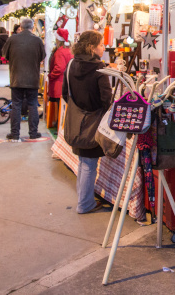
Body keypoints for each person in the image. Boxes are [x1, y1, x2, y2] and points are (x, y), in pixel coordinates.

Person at [62, 30, 112, 214]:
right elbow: (107, 100)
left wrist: (80, 110)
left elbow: (65, 93)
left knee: (84, 162)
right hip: (94, 123)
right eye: (100, 44)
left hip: (76, 123)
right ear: (91, 47)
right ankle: (84, 204)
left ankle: (85, 200)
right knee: (89, 164)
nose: (103, 47)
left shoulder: (71, 64)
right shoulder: (100, 68)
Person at [2, 17, 46, 140]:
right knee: (32, 105)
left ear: (20, 27)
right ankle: (33, 133)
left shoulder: (12, 39)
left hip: (16, 78)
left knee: (16, 105)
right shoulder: (37, 40)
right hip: (32, 79)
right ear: (32, 28)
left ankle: (15, 133)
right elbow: (42, 56)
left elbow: (5, 55)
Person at [48, 28, 73, 102]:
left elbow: (59, 68)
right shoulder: (69, 50)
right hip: (67, 85)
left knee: (57, 110)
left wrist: (50, 76)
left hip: (58, 85)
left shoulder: (60, 51)